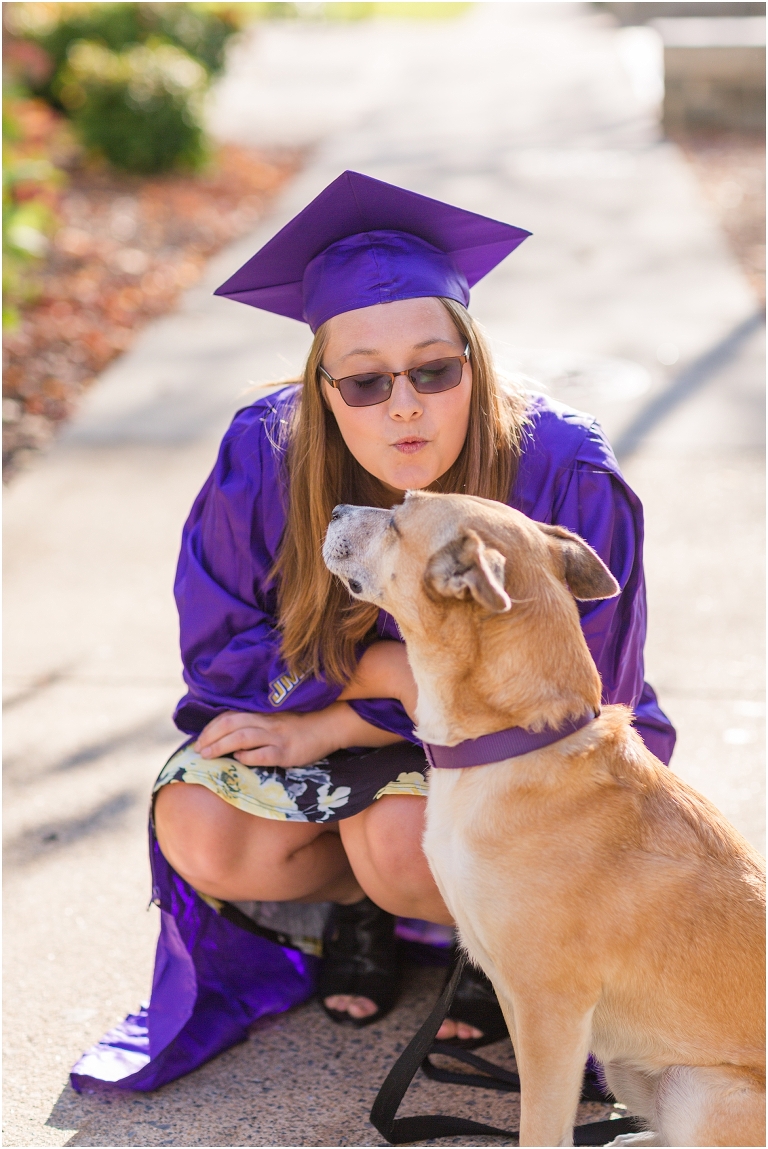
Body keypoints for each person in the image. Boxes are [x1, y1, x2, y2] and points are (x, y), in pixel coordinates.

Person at [70, 171, 676, 1093]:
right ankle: (358, 913)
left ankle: (488, 944)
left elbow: (583, 700)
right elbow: (222, 648)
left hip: (522, 763)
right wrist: (388, 674)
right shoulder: (263, 451)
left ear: (473, 359)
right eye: (364, 381)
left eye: (435, 370)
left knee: (399, 842)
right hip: (342, 715)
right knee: (200, 827)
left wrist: (343, 719)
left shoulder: (563, 468)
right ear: (321, 386)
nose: (404, 404)